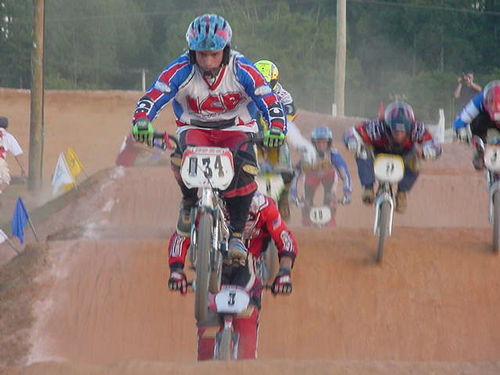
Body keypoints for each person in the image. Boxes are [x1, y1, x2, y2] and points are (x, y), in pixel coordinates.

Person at [131, 14, 287, 264]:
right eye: (201, 54)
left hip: (236, 128)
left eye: (214, 54)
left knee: (246, 168)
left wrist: (277, 127)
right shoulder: (181, 69)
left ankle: (236, 234)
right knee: (181, 156)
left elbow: (268, 100)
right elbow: (154, 95)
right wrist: (141, 120)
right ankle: (189, 200)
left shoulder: (242, 68)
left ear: (226, 50)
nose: (207, 61)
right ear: (192, 52)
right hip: (195, 127)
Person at [167, 190, 298, 360]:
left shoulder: (262, 205)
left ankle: (245, 364)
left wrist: (284, 273)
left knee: (245, 328)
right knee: (207, 335)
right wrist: (176, 270)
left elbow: (284, 238)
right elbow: (181, 236)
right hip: (213, 267)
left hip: (247, 265)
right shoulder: (206, 204)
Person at [343, 101, 442, 213]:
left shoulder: (417, 129)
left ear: (410, 127)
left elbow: (435, 145)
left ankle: (402, 193)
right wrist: (352, 142)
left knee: (416, 162)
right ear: (387, 126)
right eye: (395, 131)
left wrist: (427, 152)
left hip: (405, 153)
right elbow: (351, 133)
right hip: (377, 151)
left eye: (403, 131)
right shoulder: (376, 126)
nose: (399, 135)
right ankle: (368, 188)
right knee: (361, 151)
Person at [253, 59, 316, 221]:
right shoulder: (245, 91)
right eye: (261, 82)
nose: (264, 86)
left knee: (285, 166)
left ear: (274, 81)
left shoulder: (283, 95)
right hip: (251, 136)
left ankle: (283, 198)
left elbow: (290, 115)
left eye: (268, 82)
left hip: (275, 137)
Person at [291, 126, 352, 226]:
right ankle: (306, 227)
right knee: (306, 203)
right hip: (311, 177)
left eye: (324, 142)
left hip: (329, 177)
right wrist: (293, 193)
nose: (321, 145)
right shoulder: (307, 154)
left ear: (329, 143)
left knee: (331, 201)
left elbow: (345, 174)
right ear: (313, 143)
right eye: (318, 142)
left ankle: (330, 227)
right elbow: (296, 174)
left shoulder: (334, 155)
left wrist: (347, 193)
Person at [453, 80, 500, 170]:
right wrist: (461, 132)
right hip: (485, 118)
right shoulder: (480, 100)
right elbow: (461, 119)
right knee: (476, 121)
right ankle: (480, 152)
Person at [0, 116, 26, 193]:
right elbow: (18, 154)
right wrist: (23, 168)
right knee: (5, 181)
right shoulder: (8, 137)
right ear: (6, 127)